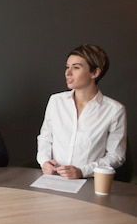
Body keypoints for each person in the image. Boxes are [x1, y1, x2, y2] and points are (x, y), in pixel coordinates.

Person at [36, 44, 127, 179]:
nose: (68, 72)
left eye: (76, 67)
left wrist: (83, 171)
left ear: (95, 73)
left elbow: (116, 156)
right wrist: (44, 161)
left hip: (89, 182)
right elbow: (45, 137)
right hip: (52, 178)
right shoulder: (56, 101)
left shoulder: (114, 110)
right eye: (67, 67)